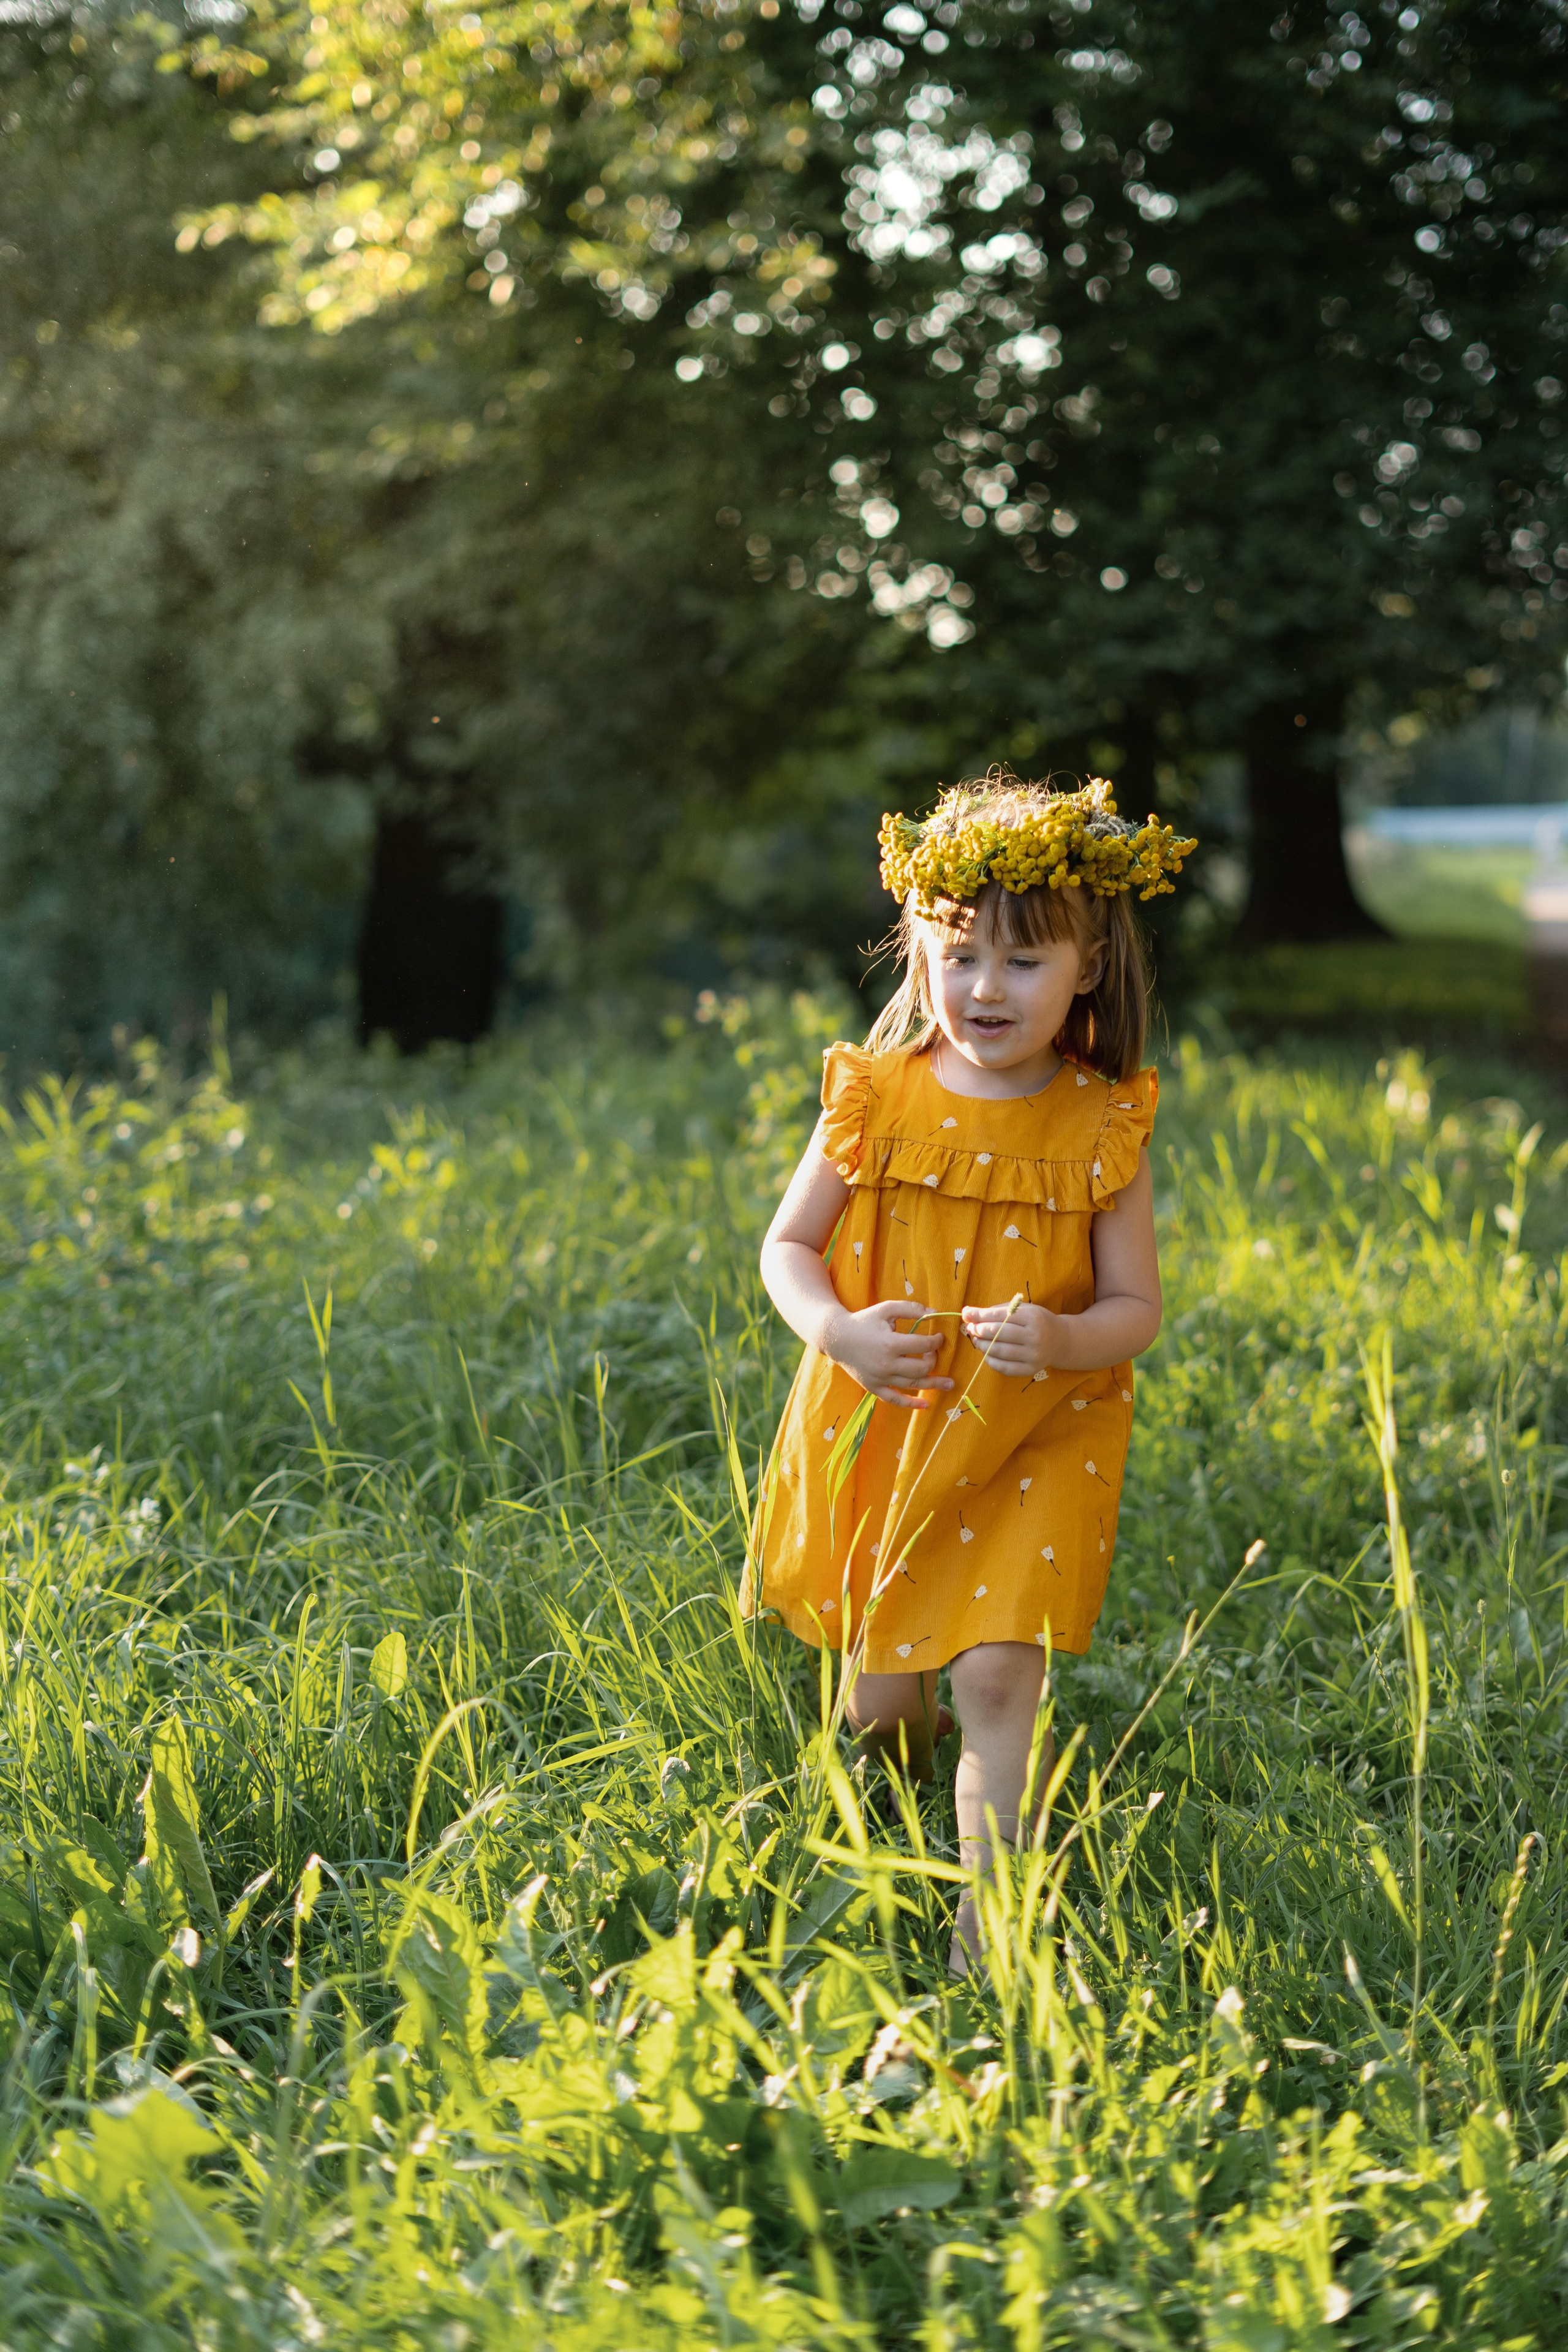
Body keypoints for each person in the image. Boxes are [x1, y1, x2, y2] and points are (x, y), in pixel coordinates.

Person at [742, 769, 1195, 1973]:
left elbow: (1132, 1310)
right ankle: (880, 1832)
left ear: (1086, 968)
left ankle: (982, 1939)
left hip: (1034, 1436)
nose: (984, 989)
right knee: (881, 1712)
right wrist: (833, 1331)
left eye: (1022, 962)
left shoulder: (1102, 1126)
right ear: (918, 953)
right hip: (894, 1426)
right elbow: (785, 1248)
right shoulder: (871, 1100)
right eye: (958, 956)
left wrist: (1060, 1341)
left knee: (1000, 1675)